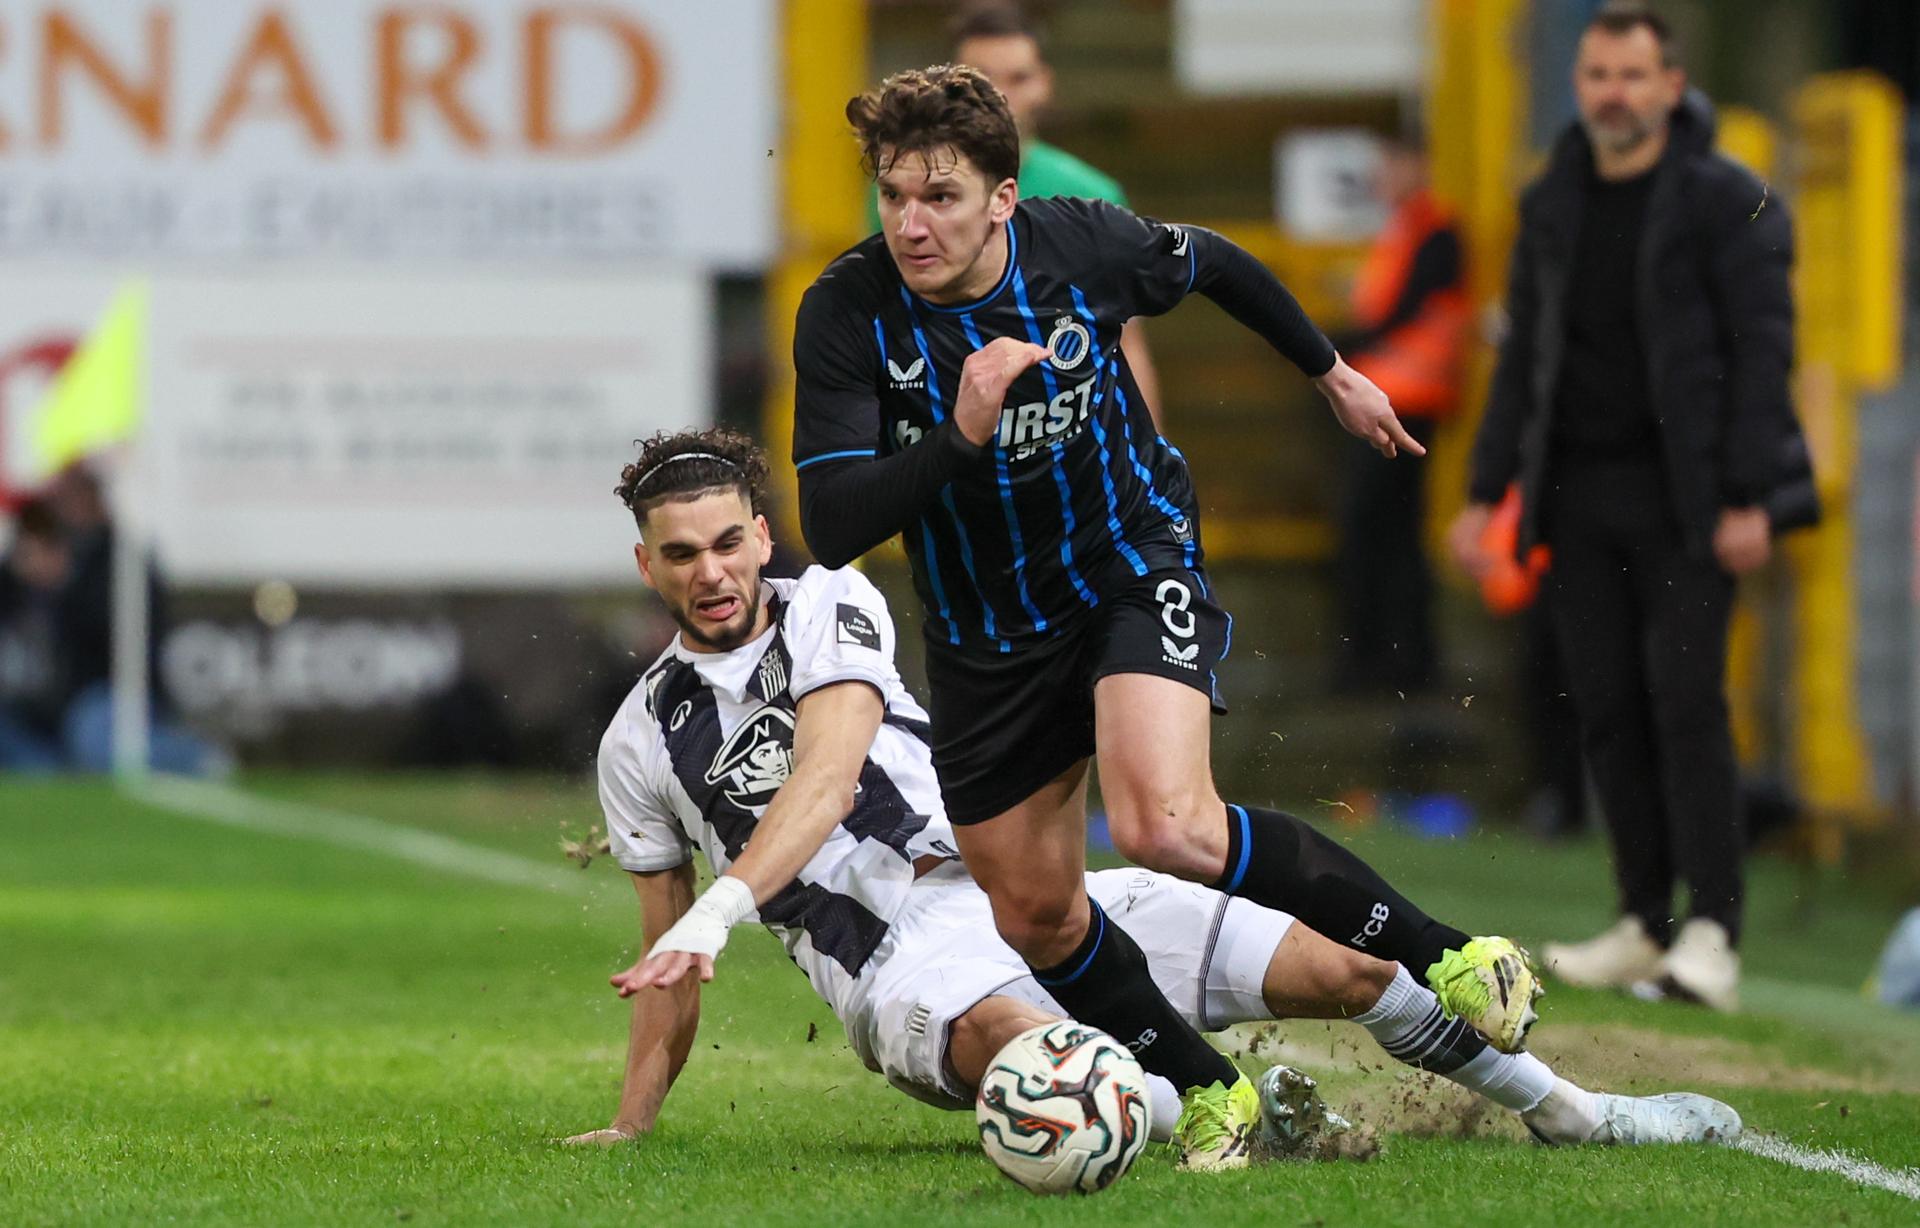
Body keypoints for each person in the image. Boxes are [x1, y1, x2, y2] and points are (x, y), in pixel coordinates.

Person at [562, 430, 1741, 1156]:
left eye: (728, 542)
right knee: (1067, 1072)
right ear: (646, 564)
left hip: (1032, 888)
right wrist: (633, 1119)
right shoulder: (639, 742)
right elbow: (665, 961)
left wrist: (727, 910)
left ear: (762, 534)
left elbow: (825, 776)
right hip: (901, 972)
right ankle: (1252, 1119)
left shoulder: (833, 601)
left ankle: (1572, 1110)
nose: (712, 572)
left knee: (1356, 973)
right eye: (681, 553)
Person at [789, 64, 1540, 1168]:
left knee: (1166, 827)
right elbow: (835, 522)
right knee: (1035, 916)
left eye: (939, 196)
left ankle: (1449, 955)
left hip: (1127, 561)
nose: (911, 222)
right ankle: (1209, 1089)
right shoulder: (847, 310)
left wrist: (1332, 374)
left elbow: (1217, 263)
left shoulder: (1081, 244)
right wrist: (958, 433)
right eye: (895, 196)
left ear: (1004, 197)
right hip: (987, 632)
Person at [1446, 4, 1800, 1012]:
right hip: (1576, 493)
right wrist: (1485, 493)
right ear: (1580, 85)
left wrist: (1749, 495)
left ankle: (1713, 933)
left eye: (1633, 75)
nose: (1614, 92)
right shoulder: (1552, 198)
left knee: (1688, 707)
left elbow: (1762, 357)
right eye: (1598, 73)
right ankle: (1645, 919)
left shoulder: (1730, 198)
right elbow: (1525, 360)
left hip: (1690, 500)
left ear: (1671, 86)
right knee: (1605, 709)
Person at [946, 1, 1164, 420]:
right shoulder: (905, 194)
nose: (1000, 96)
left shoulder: (1090, 195)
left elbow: (1127, 342)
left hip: (1067, 431)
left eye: (1018, 77)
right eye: (981, 79)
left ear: (1044, 84)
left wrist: (1152, 461)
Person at [1330, 130, 1469, 695]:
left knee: (1380, 533)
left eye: (1389, 163)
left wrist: (1331, 352)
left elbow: (1394, 314)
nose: (1380, 176)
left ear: (1417, 164)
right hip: (1391, 400)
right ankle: (1397, 662)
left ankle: (1391, 663)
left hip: (1401, 405)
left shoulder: (1432, 232)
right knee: (1388, 534)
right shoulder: (1409, 230)